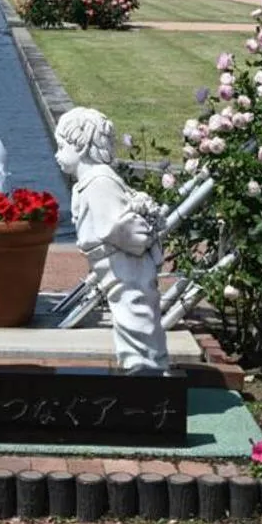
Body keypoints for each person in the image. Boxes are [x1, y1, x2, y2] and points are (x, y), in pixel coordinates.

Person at [56, 106, 169, 374]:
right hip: (116, 270)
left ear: (80, 146)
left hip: (126, 269)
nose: (56, 154)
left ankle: (148, 379)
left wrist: (144, 231)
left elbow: (115, 227)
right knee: (129, 319)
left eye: (61, 146)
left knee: (136, 318)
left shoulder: (99, 181)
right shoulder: (89, 182)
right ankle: (143, 375)